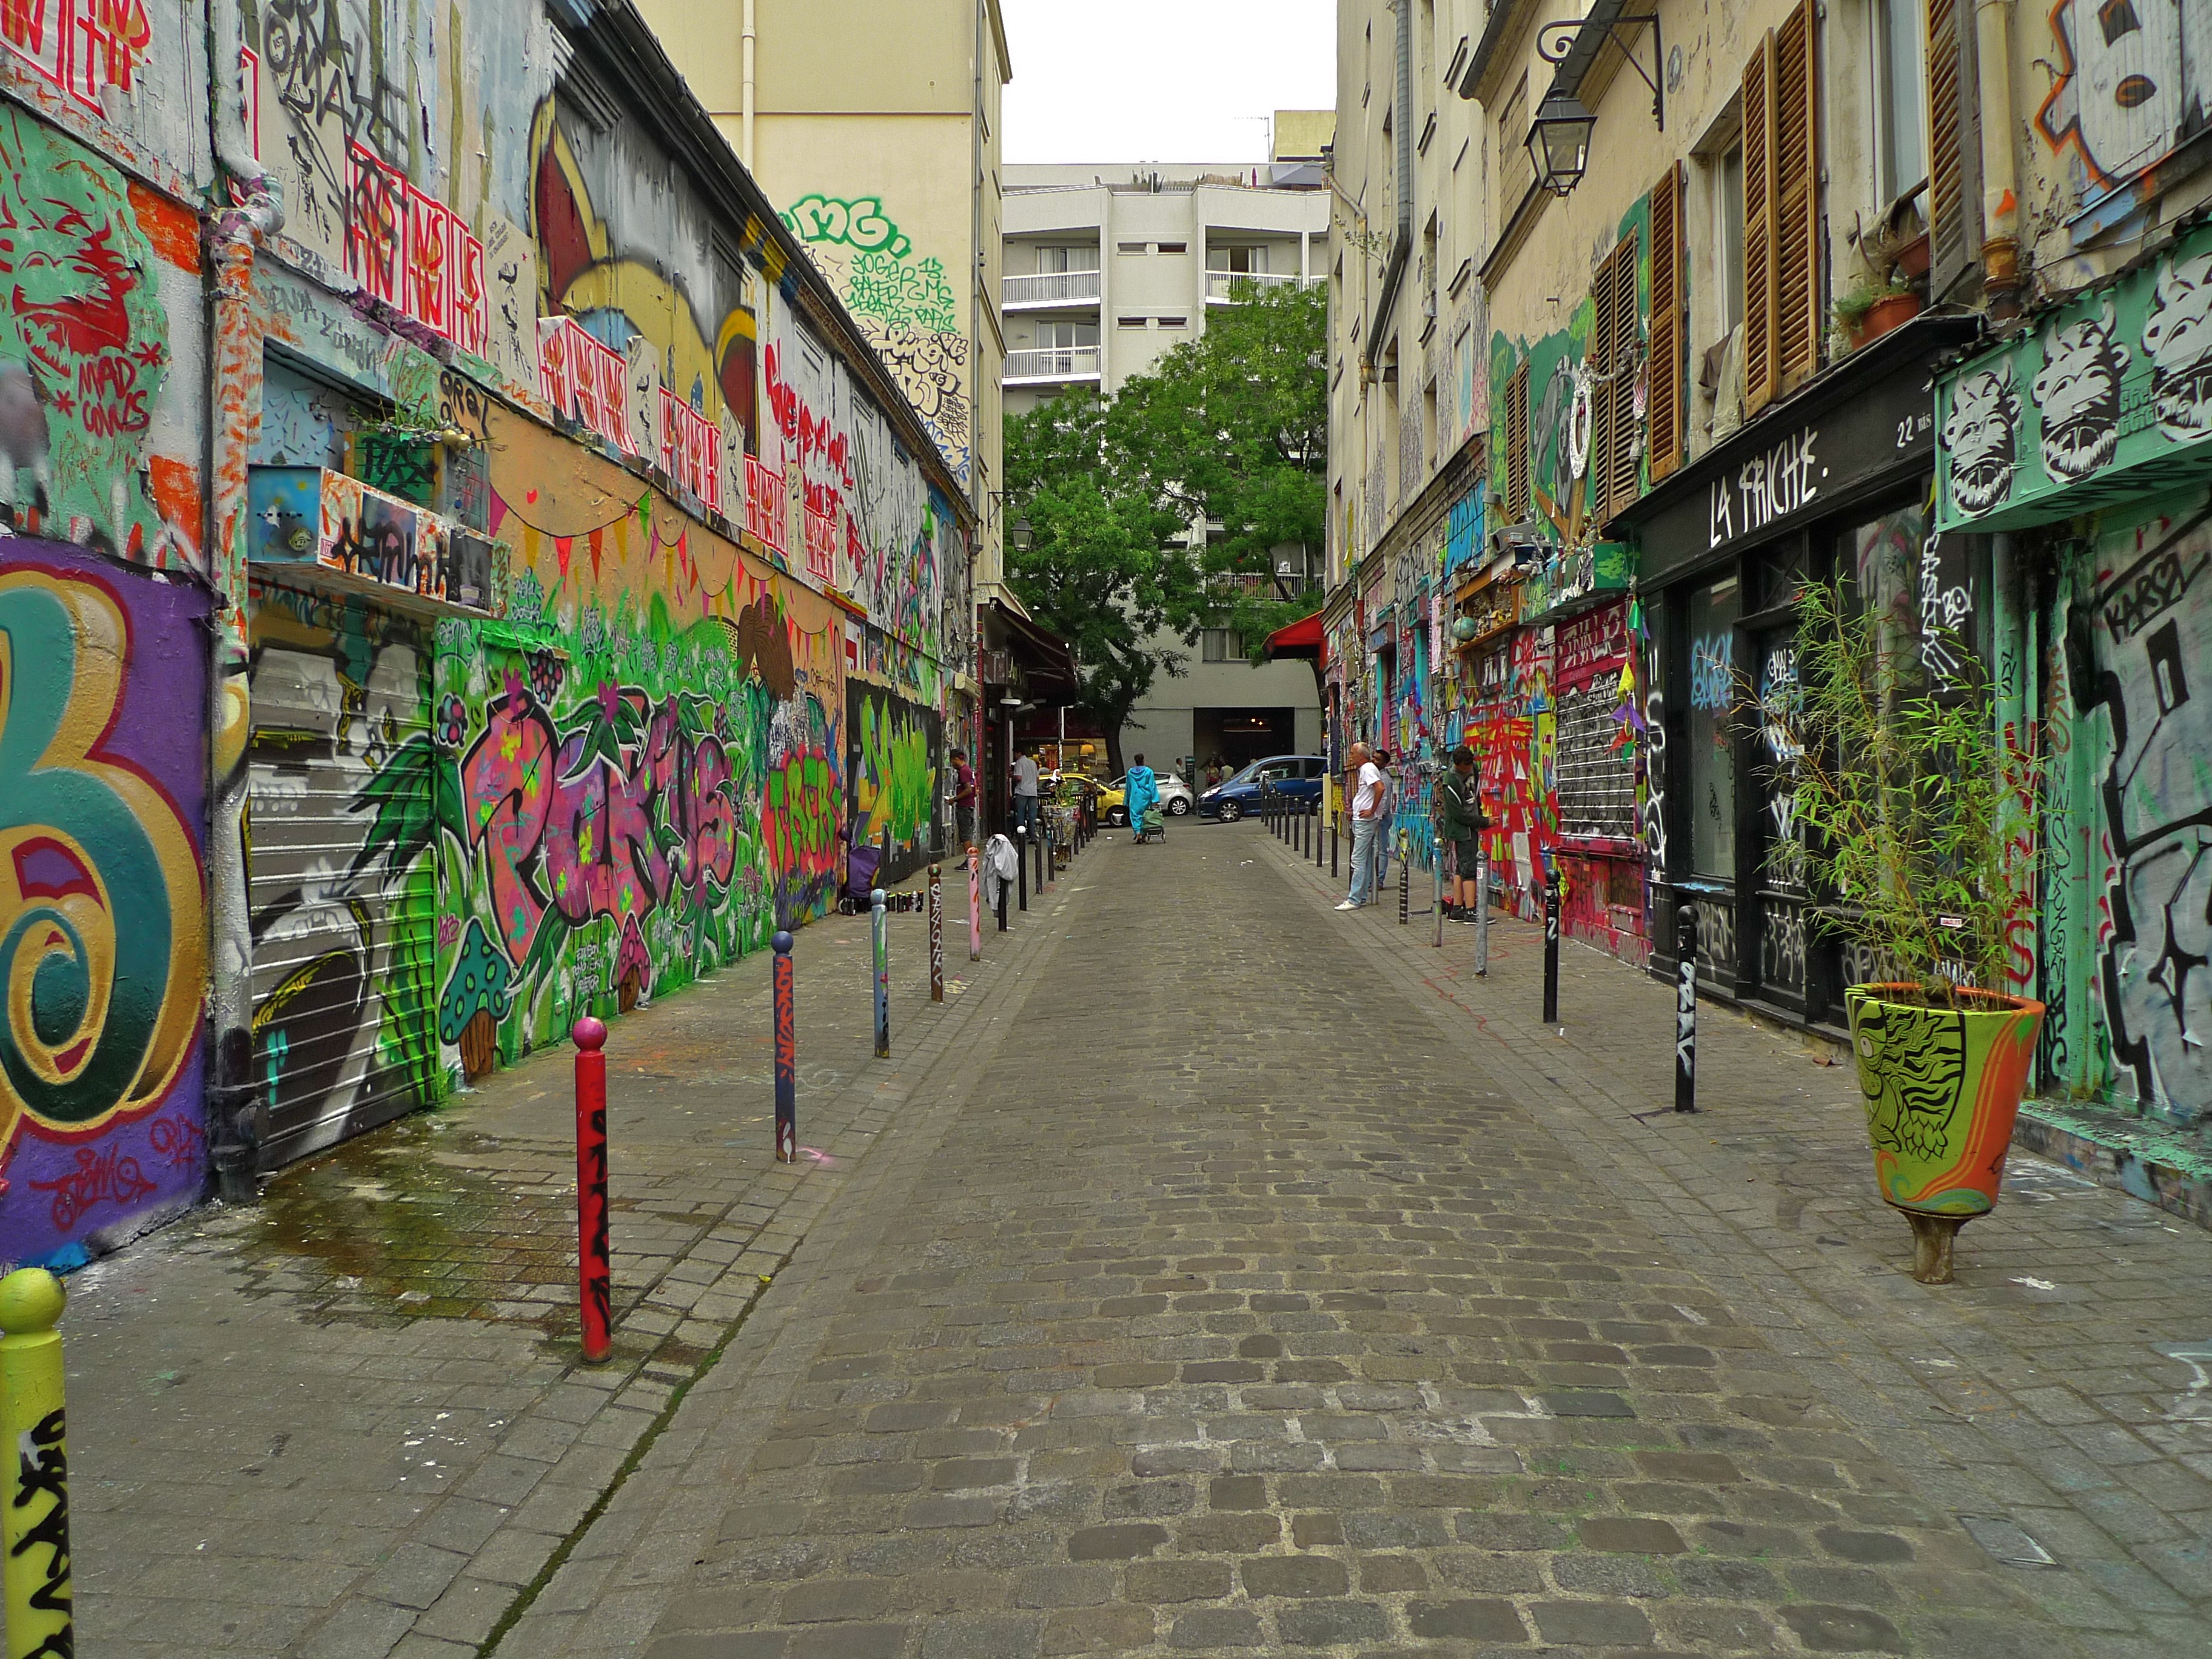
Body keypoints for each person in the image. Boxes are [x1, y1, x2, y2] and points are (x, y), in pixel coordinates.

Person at [1434, 745, 1487, 920]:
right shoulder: (1451, 781)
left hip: (1470, 825)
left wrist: (1479, 814)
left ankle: (1457, 909)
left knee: (1461, 868)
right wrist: (1483, 821)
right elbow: (1459, 814)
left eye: (1471, 765)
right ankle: (1471, 911)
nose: (1469, 769)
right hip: (1463, 829)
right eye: (1466, 767)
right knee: (1469, 868)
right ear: (1458, 765)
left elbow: (1475, 796)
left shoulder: (1473, 769)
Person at [1336, 742, 1388, 910]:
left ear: (1361, 756)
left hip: (1365, 821)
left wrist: (1372, 810)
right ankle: (1362, 896)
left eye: (1352, 754)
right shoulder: (1368, 769)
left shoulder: (1367, 769)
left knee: (1358, 860)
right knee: (1366, 860)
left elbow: (1380, 788)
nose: (1350, 757)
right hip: (1366, 820)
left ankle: (1354, 899)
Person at [1372, 749, 1397, 889]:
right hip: (1376, 817)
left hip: (1382, 818)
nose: (1374, 761)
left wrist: (1379, 817)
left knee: (1381, 850)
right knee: (1374, 849)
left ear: (1385, 763)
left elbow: (1385, 802)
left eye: (1378, 759)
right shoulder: (1374, 775)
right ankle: (1373, 879)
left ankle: (1379, 880)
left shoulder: (1385, 779)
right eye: (1373, 757)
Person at [1124, 752, 1159, 838]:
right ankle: (1143, 833)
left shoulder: (1130, 773)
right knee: (1145, 815)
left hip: (1135, 796)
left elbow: (1128, 787)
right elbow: (1152, 786)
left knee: (1135, 815)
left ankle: (1138, 831)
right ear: (1143, 760)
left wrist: (1126, 800)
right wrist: (1155, 799)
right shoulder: (1149, 772)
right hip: (1146, 796)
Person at [949, 747, 977, 849]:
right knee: (967, 835)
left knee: (965, 837)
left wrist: (954, 799)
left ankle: (969, 858)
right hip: (969, 805)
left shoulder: (963, 771)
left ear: (956, 759)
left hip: (964, 807)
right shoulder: (968, 770)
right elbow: (975, 790)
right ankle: (970, 857)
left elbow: (968, 790)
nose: (952, 764)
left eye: (952, 761)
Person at [1012, 748, 1041, 836]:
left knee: (1021, 814)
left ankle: (1021, 836)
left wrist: (1012, 776)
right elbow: (1038, 779)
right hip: (1033, 791)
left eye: (1015, 754)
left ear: (1019, 753)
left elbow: (1019, 777)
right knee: (1033, 815)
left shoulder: (1019, 763)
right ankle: (1034, 836)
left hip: (1022, 791)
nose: (1014, 756)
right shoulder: (1033, 763)